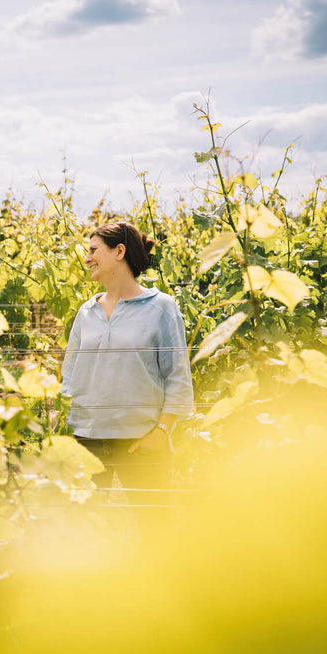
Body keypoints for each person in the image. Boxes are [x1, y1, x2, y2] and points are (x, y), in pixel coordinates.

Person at [60, 220, 194, 534]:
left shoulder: (161, 308)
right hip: (87, 441)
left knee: (155, 532)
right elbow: (71, 373)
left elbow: (177, 374)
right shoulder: (86, 312)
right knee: (80, 533)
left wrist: (161, 432)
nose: (87, 258)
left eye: (94, 250)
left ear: (119, 252)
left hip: (142, 442)